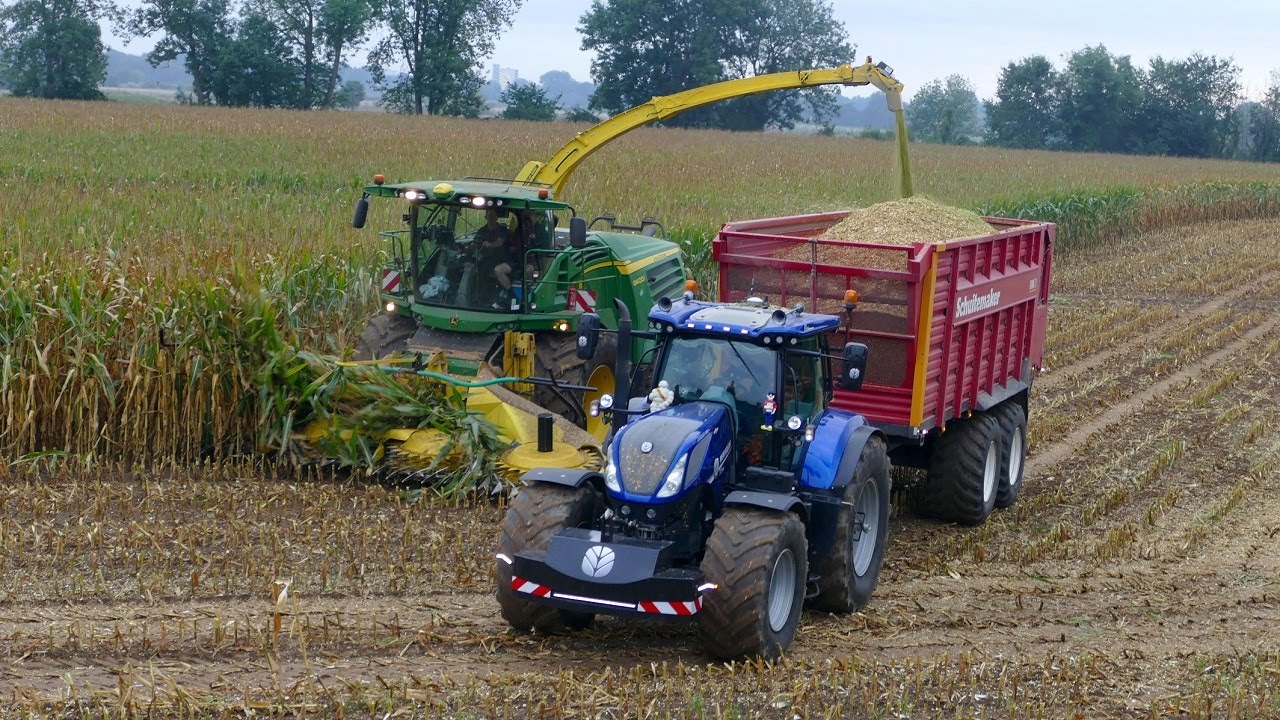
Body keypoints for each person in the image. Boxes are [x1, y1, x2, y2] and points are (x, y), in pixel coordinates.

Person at [473, 207, 514, 308]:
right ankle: (478, 299)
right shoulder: (482, 231)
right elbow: (475, 243)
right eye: (489, 216)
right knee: (474, 270)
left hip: (505, 260)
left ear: (496, 217)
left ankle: (510, 295)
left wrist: (489, 244)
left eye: (493, 215)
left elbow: (500, 242)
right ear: (485, 217)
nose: (491, 218)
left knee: (496, 270)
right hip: (487, 262)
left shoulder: (503, 230)